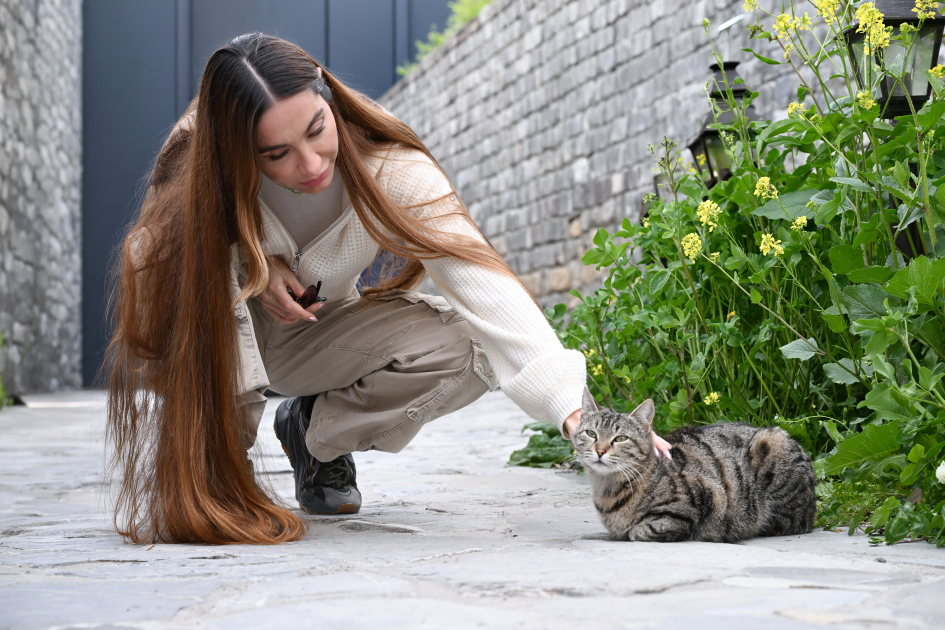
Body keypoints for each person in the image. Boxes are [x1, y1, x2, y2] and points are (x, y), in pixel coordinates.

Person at [106, 33, 670, 545]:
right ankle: (220, 465)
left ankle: (314, 438)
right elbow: (147, 261)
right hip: (214, 344)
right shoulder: (196, 156)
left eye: (316, 131)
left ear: (328, 100)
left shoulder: (391, 166)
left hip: (310, 339)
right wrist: (247, 255)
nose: (310, 164)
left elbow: (481, 282)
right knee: (181, 259)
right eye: (275, 155)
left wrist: (571, 410)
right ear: (234, 150)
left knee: (471, 343)